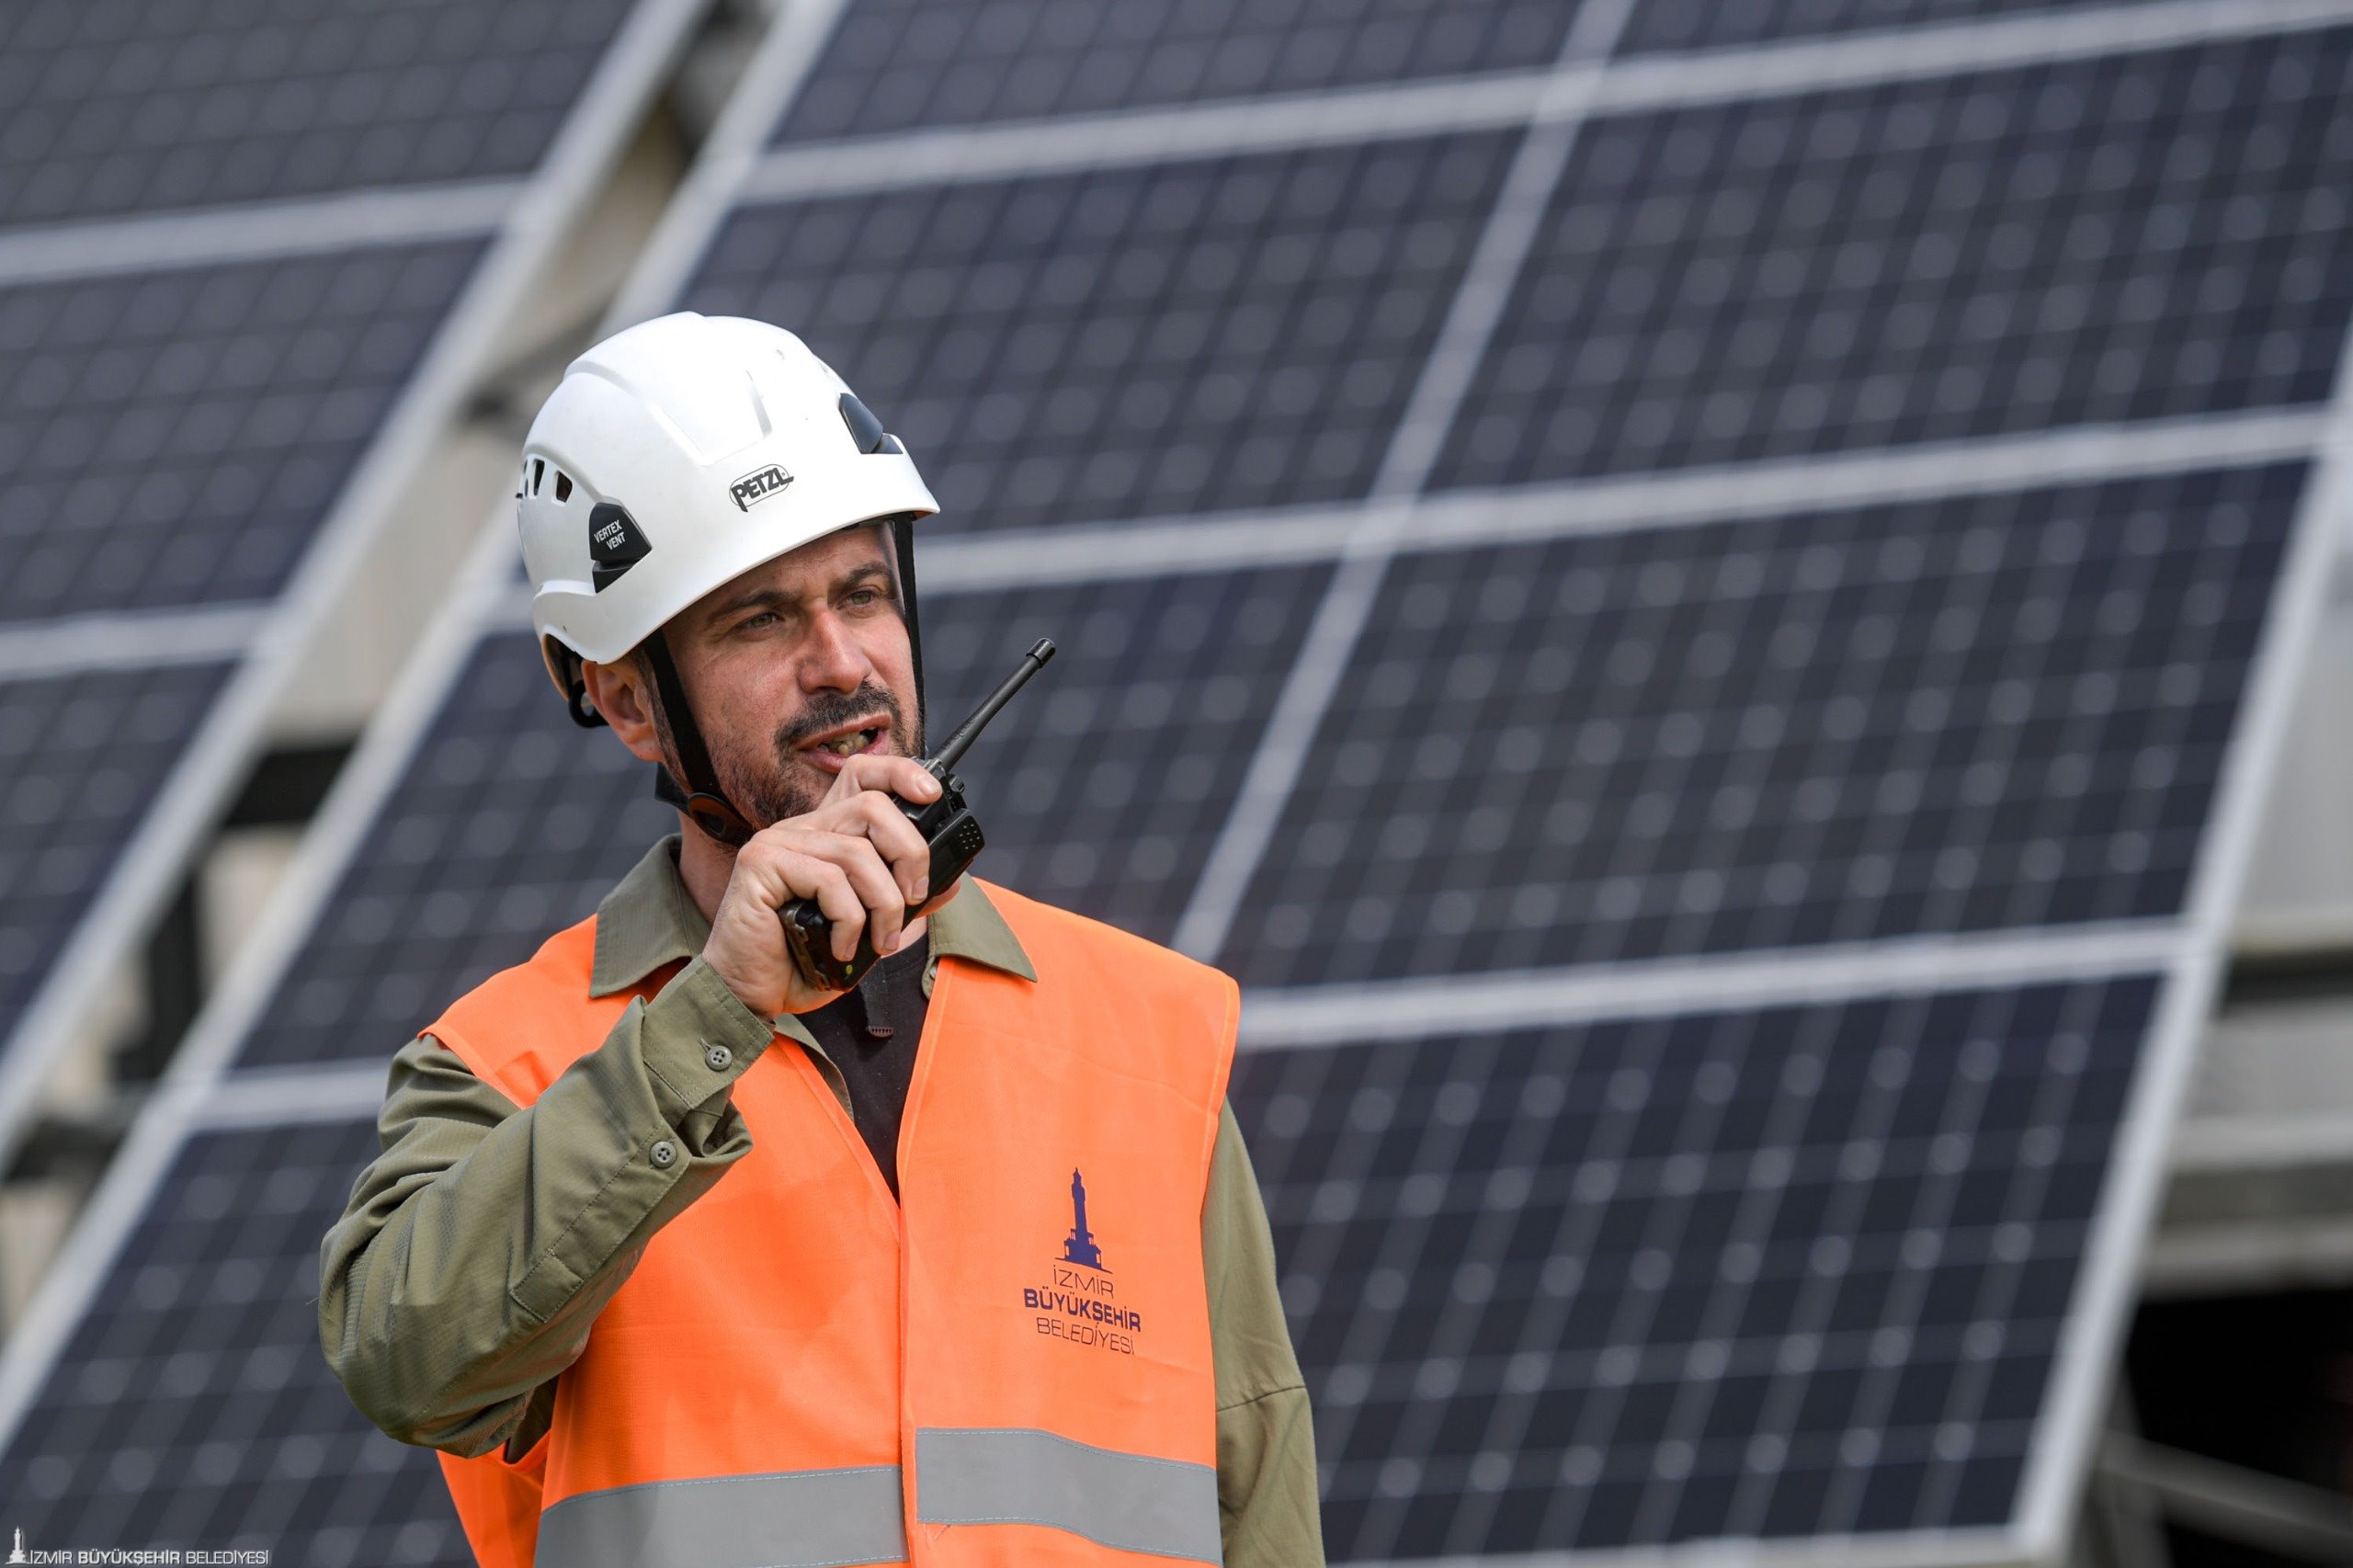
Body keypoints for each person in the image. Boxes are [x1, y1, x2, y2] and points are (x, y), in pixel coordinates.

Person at [318, 313, 1324, 1568]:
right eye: (760, 619)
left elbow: (1259, 1504)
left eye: (864, 593)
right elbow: (403, 1362)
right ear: (628, 700)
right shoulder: (502, 1058)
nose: (843, 663)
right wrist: (715, 1011)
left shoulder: (1150, 1034)